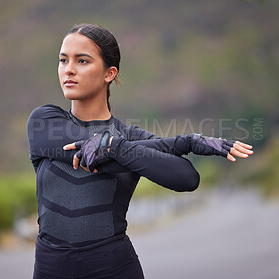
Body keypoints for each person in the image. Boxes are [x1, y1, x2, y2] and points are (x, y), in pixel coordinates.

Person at [27, 23, 253, 279]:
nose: (69, 69)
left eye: (82, 61)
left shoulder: (129, 138)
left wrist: (117, 147)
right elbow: (95, 155)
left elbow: (187, 178)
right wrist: (184, 143)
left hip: (114, 268)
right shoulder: (46, 123)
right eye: (63, 60)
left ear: (109, 73)